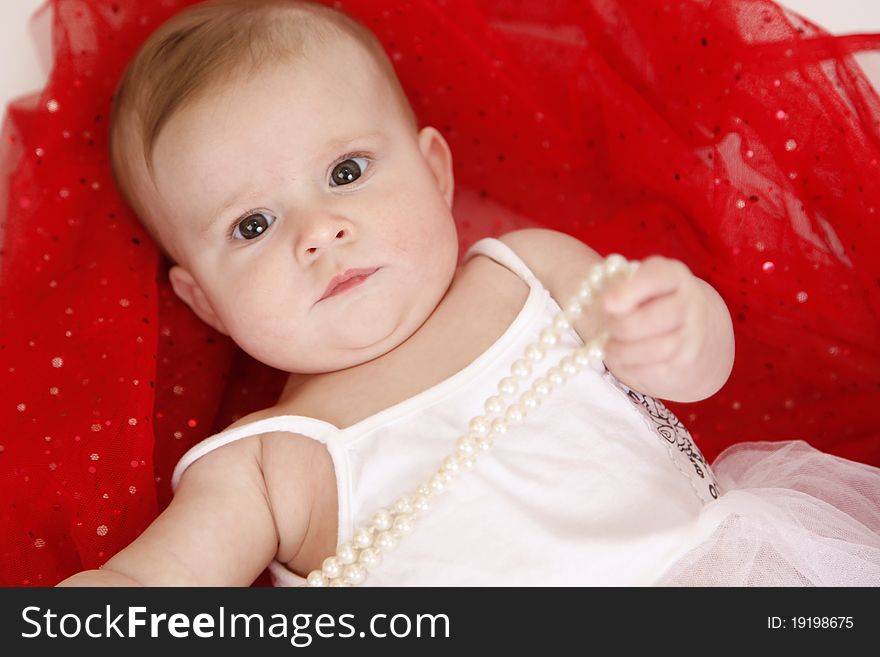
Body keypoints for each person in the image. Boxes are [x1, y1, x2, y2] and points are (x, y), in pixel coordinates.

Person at [50, 0, 880, 587]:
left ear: (435, 171)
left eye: (345, 173)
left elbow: (694, 375)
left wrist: (682, 329)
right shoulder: (268, 462)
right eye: (252, 225)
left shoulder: (527, 271)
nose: (318, 230)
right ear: (204, 303)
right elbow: (161, 580)